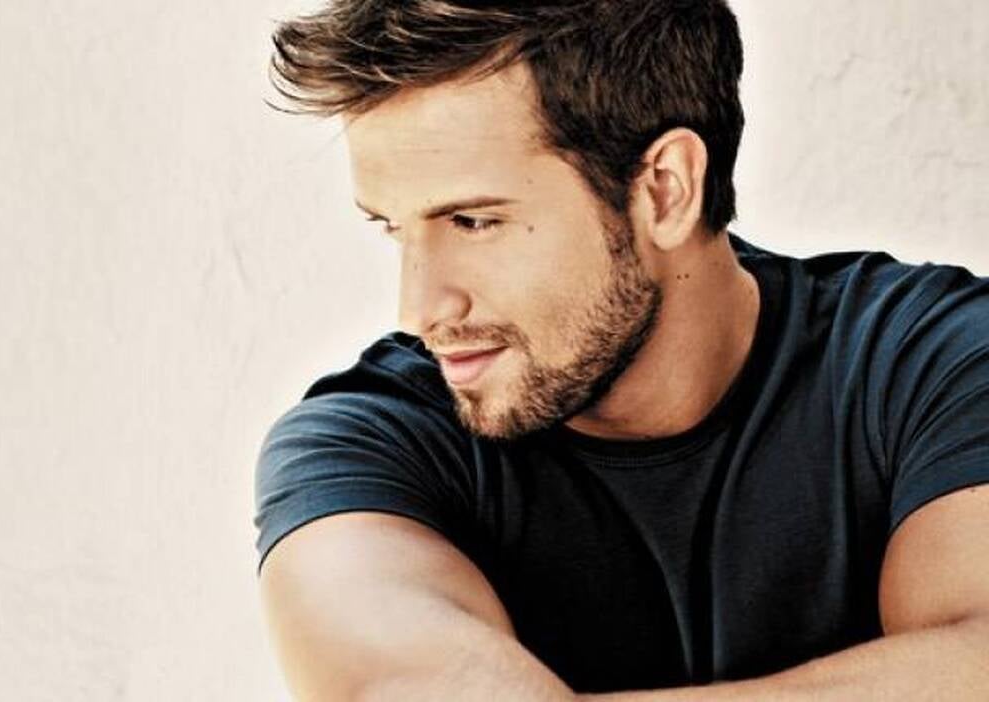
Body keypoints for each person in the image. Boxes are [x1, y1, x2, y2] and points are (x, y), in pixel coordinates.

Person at [252, 1, 989, 699]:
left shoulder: (933, 358)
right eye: (393, 228)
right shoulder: (364, 441)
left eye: (474, 222)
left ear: (665, 190)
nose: (421, 311)